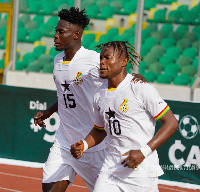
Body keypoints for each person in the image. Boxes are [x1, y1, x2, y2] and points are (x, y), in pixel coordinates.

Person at [34, 8, 147, 192]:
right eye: (55, 31)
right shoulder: (57, 60)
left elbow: (118, 74)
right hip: (64, 142)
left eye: (60, 32)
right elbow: (66, 94)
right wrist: (50, 111)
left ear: (76, 34)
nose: (55, 36)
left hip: (93, 147)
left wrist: (135, 78)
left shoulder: (93, 60)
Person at [71, 41, 179, 192]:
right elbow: (100, 130)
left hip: (141, 171)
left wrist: (143, 152)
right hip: (111, 168)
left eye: (107, 58)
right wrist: (84, 144)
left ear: (124, 61)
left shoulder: (140, 88)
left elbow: (172, 123)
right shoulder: (98, 94)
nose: (102, 62)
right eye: (101, 58)